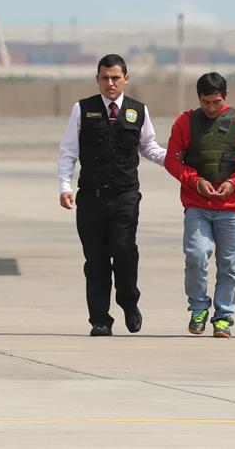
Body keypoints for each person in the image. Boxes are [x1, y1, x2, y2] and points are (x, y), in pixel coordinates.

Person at [57, 54, 166, 337]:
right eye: (104, 78)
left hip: (125, 195)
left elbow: (149, 146)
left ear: (126, 79)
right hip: (91, 197)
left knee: (124, 250)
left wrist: (174, 159)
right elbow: (69, 151)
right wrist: (64, 186)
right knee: (95, 260)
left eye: (115, 78)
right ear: (97, 79)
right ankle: (100, 319)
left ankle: (129, 303)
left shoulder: (137, 111)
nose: (110, 83)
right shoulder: (82, 109)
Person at [164, 72, 235, 338]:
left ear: (225, 97)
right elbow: (172, 160)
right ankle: (198, 307)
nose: (210, 108)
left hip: (231, 209)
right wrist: (194, 181)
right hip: (197, 206)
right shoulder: (185, 122)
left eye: (216, 102)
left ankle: (224, 317)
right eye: (206, 102)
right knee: (196, 255)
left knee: (229, 264)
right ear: (199, 98)